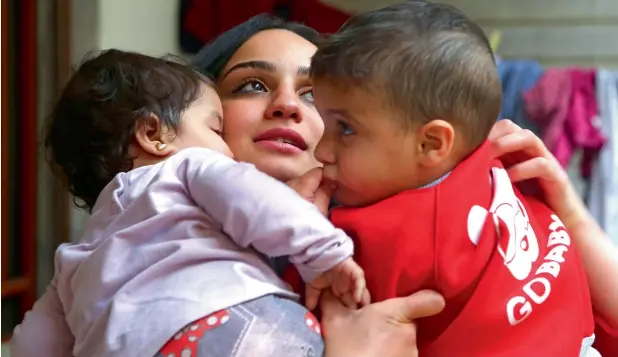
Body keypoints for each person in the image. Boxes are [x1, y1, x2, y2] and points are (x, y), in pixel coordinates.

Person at [11, 13, 614, 357]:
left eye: (318, 98)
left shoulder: (440, 221)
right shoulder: (127, 281)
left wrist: (572, 217)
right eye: (249, 86)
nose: (287, 107)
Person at [308, 1, 605, 356]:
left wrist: (301, 223)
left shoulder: (391, 239)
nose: (322, 151)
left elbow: (324, 297)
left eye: (345, 129)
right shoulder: (497, 157)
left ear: (432, 143)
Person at [40, 48, 374, 357]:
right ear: (154, 135)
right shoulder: (187, 166)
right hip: (228, 324)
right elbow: (251, 196)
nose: (227, 152)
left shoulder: (74, 256)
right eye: (217, 129)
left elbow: (37, 342)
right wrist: (323, 250)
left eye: (312, 94)